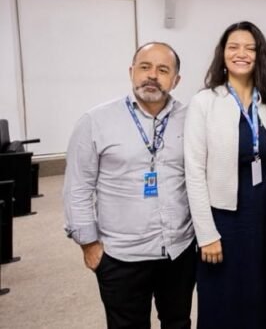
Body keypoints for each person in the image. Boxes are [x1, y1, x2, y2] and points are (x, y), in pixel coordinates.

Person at [63, 42, 195, 329]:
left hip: (178, 250)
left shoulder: (191, 118)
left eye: (163, 70)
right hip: (121, 254)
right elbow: (78, 187)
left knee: (178, 322)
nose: (152, 76)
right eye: (145, 67)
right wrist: (89, 244)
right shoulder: (95, 121)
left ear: (176, 80)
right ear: (131, 71)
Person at [184, 21, 266, 329]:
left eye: (249, 48)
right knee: (225, 301)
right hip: (225, 220)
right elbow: (194, 173)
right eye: (233, 47)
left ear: (260, 55)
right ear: (223, 54)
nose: (241, 54)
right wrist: (206, 234)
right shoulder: (205, 102)